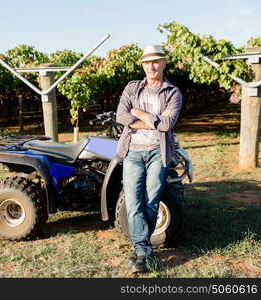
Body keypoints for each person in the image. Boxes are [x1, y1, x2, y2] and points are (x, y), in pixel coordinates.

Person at [116, 45, 182, 273]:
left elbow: (167, 124)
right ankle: (143, 250)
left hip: (157, 152)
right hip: (133, 151)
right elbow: (121, 115)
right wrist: (153, 120)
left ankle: (140, 251)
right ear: (142, 65)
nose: (151, 66)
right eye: (147, 62)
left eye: (156, 62)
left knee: (151, 200)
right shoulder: (132, 88)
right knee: (134, 203)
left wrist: (140, 114)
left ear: (164, 63)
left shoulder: (172, 92)